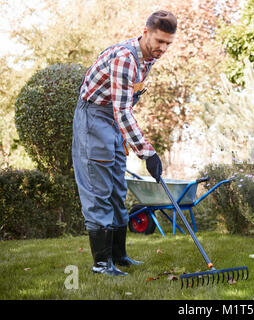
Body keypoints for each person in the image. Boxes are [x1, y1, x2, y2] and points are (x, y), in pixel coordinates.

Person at [72, 10, 177, 276]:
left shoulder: (147, 58)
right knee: (99, 191)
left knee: (118, 190)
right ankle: (100, 265)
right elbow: (122, 110)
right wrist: (147, 152)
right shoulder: (124, 58)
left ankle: (118, 257)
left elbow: (124, 105)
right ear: (145, 32)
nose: (163, 48)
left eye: (168, 43)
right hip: (94, 119)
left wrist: (132, 141)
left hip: (112, 121)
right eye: (159, 41)